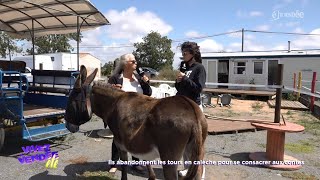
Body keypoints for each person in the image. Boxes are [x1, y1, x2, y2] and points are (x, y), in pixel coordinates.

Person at [108, 53, 152, 173]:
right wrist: (113, 91)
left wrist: (145, 82)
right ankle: (114, 163)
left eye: (135, 61)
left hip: (139, 114)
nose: (136, 63)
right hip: (120, 115)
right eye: (133, 61)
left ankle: (136, 163)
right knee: (118, 139)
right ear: (125, 64)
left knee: (136, 138)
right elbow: (107, 97)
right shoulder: (115, 78)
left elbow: (148, 93)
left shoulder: (139, 78)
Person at [175, 41, 206, 177]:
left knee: (195, 144)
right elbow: (181, 89)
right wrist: (178, 82)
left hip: (193, 108)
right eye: (182, 53)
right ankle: (187, 168)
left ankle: (200, 172)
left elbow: (198, 88)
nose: (183, 55)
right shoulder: (184, 68)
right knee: (184, 143)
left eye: (185, 53)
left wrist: (185, 79)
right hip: (182, 108)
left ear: (192, 53)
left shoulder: (199, 68)